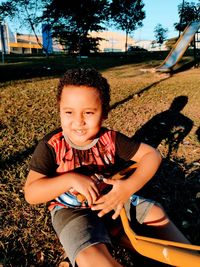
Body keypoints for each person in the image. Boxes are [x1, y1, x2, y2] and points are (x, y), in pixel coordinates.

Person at [24, 68, 189, 267]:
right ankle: (107, 234)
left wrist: (127, 187)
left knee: (155, 212)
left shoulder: (110, 139)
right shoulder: (51, 145)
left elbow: (152, 155)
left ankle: (187, 258)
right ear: (59, 109)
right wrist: (70, 179)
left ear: (104, 113)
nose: (78, 121)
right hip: (70, 210)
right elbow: (31, 194)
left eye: (89, 112)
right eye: (69, 112)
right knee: (91, 257)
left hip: (112, 199)